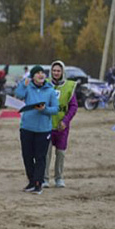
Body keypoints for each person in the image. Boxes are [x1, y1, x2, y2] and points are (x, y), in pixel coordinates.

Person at [14, 65, 59, 194]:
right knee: (27, 156)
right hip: (27, 127)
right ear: (32, 76)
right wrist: (23, 85)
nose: (41, 75)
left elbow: (55, 109)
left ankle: (38, 183)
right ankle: (31, 182)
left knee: (40, 157)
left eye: (42, 73)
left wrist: (44, 109)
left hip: (43, 129)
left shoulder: (50, 90)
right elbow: (18, 95)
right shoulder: (28, 86)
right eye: (37, 73)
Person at [44, 60, 77, 188]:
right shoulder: (45, 84)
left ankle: (59, 178)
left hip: (62, 127)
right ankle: (45, 179)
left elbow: (73, 107)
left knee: (61, 153)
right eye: (54, 70)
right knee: (46, 154)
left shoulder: (69, 86)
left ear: (62, 72)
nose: (56, 73)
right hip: (47, 126)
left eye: (58, 70)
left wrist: (65, 121)